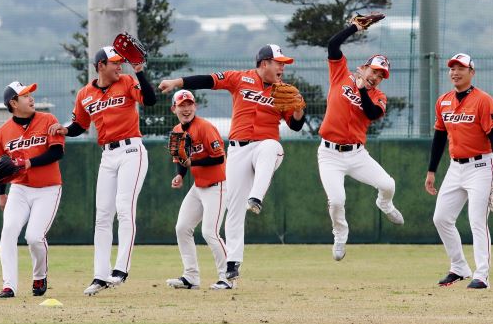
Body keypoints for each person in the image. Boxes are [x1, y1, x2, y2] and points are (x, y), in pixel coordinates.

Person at [158, 44, 306, 281]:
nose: (282, 67)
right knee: (235, 210)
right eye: (278, 62)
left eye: (283, 63)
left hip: (265, 146)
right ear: (264, 63)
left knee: (270, 147)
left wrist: (298, 109)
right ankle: (232, 264)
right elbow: (208, 80)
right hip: (238, 150)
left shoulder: (284, 91)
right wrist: (177, 82)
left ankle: (256, 197)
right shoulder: (240, 79)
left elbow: (296, 125)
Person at [48, 46, 156, 295]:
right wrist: (65, 129)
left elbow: (149, 100)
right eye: (115, 63)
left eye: (121, 62)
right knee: (102, 216)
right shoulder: (85, 94)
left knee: (124, 207)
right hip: (107, 155)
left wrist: (139, 71)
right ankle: (100, 274)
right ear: (100, 66)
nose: (120, 66)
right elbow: (79, 125)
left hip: (132, 150)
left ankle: (121, 268)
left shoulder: (128, 81)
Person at [318, 21, 405, 262]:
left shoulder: (378, 95)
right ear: (364, 68)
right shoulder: (340, 75)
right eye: (374, 71)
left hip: (356, 155)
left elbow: (372, 114)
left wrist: (363, 90)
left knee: (388, 185)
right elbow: (333, 44)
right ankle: (340, 234)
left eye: (381, 75)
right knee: (336, 200)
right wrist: (354, 27)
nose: (376, 76)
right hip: (329, 154)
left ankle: (385, 205)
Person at [425, 53, 493, 289]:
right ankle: (459, 267)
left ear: (472, 72)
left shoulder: (484, 100)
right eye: (452, 68)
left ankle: (481, 275)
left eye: (460, 68)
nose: (455, 72)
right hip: (455, 166)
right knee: (441, 218)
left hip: (481, 166)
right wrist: (431, 171)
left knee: (477, 221)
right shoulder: (443, 101)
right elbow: (439, 137)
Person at [0, 81, 65, 298]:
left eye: (30, 94)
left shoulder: (48, 120)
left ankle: (39, 275)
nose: (31, 98)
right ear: (13, 103)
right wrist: (1, 193)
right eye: (25, 95)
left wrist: (28, 163)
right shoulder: (3, 132)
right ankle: (9, 285)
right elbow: (1, 166)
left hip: (48, 188)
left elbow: (56, 153)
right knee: (8, 232)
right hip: (20, 189)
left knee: (34, 237)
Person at [164, 90, 232, 290]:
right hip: (199, 186)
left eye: (189, 104)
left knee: (210, 232)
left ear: (195, 106)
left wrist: (191, 161)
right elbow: (180, 160)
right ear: (174, 108)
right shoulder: (177, 130)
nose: (186, 109)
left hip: (217, 185)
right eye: (182, 105)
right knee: (182, 228)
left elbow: (219, 157)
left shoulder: (205, 127)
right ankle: (191, 277)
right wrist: (180, 175)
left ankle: (228, 278)